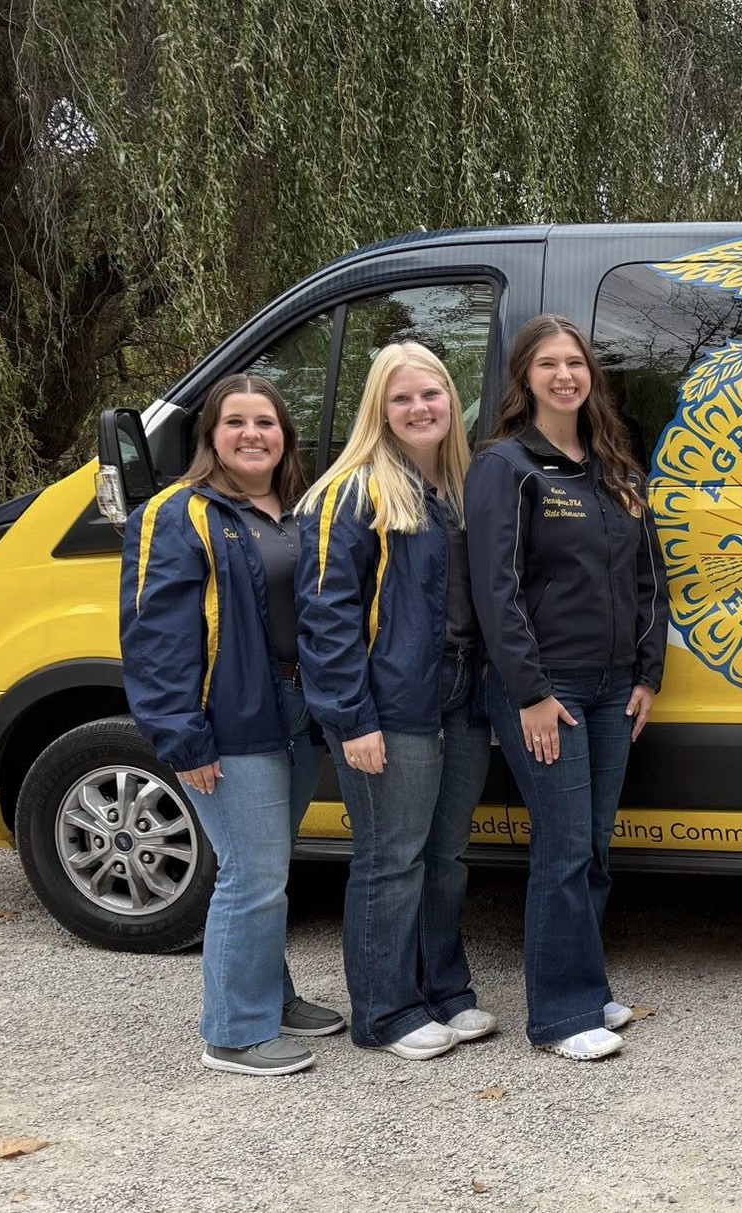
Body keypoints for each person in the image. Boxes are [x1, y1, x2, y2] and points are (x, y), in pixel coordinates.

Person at [120, 375, 343, 1076]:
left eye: (266, 422)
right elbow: (155, 637)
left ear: (285, 435)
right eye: (236, 422)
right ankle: (234, 1033)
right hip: (230, 719)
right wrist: (182, 734)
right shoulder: (177, 513)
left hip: (296, 711)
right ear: (211, 435)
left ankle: (270, 997)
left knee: (269, 866)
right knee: (251, 872)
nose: (253, 434)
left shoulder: (299, 509)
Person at [465, 314, 664, 1061]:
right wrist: (530, 693)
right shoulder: (506, 465)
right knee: (564, 846)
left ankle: (586, 986)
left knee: (594, 847)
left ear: (590, 374)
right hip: (548, 690)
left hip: (614, 688)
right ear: (526, 376)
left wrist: (648, 673)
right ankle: (558, 1015)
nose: (564, 375)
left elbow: (650, 580)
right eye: (548, 363)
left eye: (574, 362)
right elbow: (496, 591)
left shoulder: (615, 466)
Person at [297, 341, 492, 1063]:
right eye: (401, 398)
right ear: (379, 409)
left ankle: (443, 990)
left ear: (451, 400)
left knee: (446, 855)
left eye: (430, 394)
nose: (419, 408)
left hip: (461, 696)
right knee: (391, 858)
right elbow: (327, 618)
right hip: (389, 704)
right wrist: (352, 719)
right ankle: (384, 1010)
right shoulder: (351, 492)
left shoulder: (464, 487)